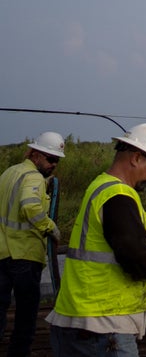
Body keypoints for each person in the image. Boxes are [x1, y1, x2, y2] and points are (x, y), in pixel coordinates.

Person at [48, 123, 146, 357]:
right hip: (103, 329)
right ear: (136, 158)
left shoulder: (100, 186)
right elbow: (136, 257)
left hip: (78, 322)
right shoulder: (118, 195)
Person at [0, 131, 66, 357]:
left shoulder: (9, 173)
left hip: (2, 255)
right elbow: (30, 207)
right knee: (26, 318)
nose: (54, 164)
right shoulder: (34, 178)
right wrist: (50, 228)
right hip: (24, 257)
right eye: (50, 159)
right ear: (35, 154)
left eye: (56, 160)